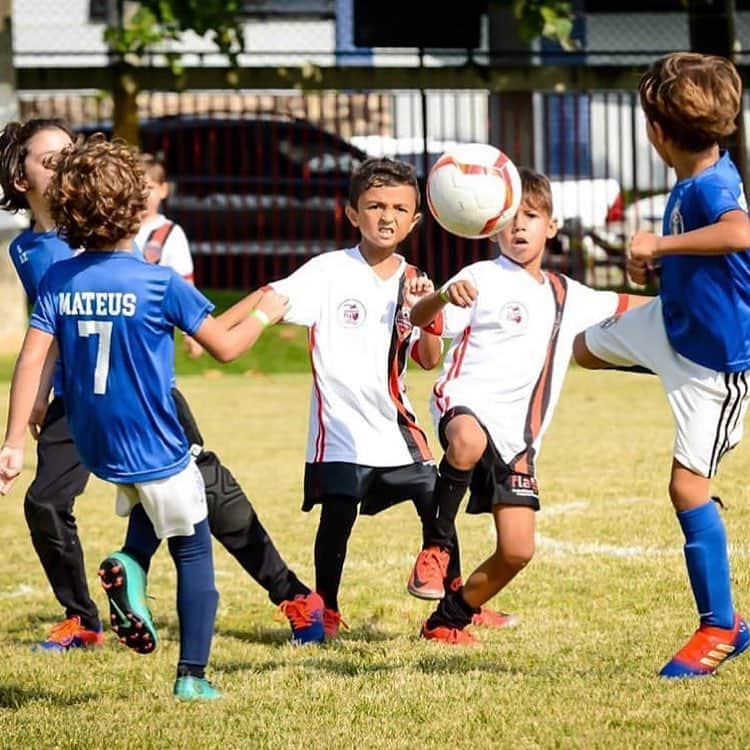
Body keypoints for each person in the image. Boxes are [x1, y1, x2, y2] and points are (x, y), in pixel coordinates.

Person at [0, 118, 325, 651]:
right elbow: (48, 335)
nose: (65, 167)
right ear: (21, 177)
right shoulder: (28, 251)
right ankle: (84, 619)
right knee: (46, 501)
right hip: (79, 401)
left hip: (143, 398)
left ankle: (292, 595)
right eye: (51, 160)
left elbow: (152, 309)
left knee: (209, 492)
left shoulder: (93, 237)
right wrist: (32, 405)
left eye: (70, 155)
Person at [219, 157, 511, 637]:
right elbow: (269, 294)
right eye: (375, 206)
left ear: (415, 220)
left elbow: (428, 358)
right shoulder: (328, 271)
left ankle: (460, 603)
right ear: (353, 214)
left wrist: (426, 308)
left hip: (396, 425)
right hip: (340, 429)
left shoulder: (414, 278)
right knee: (338, 514)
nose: (387, 216)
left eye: (399, 208)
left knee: (433, 503)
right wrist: (210, 328)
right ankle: (326, 609)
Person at [408, 167, 648, 644]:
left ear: (552, 226)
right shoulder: (478, 277)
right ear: (491, 225)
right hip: (465, 405)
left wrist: (695, 304)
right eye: (509, 219)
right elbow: (420, 318)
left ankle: (448, 619)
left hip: (517, 439)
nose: (519, 227)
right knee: (467, 440)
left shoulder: (566, 295)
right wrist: (438, 297)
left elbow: (630, 306)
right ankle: (434, 550)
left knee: (517, 550)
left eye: (531, 216)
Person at [573, 52, 750, 677]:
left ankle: (722, 627)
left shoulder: (713, 186)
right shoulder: (695, 172)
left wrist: (660, 244)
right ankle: (654, 362)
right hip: (668, 325)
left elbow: (738, 235)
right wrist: (657, 264)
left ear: (656, 132)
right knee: (584, 351)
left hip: (712, 366)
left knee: (685, 487)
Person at [134, 152, 203, 358]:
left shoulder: (170, 233)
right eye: (136, 188)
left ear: (163, 190)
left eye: (148, 188)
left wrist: (192, 332)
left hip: (154, 325)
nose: (142, 195)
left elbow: (185, 285)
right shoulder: (115, 230)